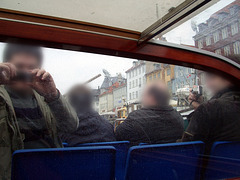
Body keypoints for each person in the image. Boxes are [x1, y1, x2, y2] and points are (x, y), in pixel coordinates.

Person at [0, 43, 79, 179]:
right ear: (6, 66)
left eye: (31, 68)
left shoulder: (44, 96)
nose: (24, 73)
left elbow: (71, 126)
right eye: (19, 67)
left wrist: (53, 95)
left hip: (50, 172)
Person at [181, 73, 240, 154]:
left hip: (212, 164)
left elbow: (185, 148)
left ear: (228, 79)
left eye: (212, 77)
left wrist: (200, 107)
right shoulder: (217, 107)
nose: (208, 84)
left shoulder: (208, 109)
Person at [115, 81, 184, 145]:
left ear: (151, 98)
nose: (142, 99)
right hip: (172, 157)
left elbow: (118, 135)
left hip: (143, 157)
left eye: (144, 95)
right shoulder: (178, 118)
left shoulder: (135, 118)